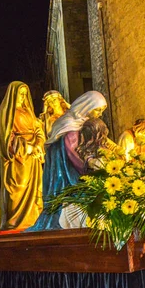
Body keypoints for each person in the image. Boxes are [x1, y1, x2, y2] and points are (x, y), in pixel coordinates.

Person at [28, 91, 107, 231]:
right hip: (65, 173)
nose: (99, 114)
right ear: (87, 106)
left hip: (75, 168)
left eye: (101, 110)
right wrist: (89, 164)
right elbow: (72, 152)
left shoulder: (82, 122)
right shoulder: (70, 124)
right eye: (98, 110)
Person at [0, 81, 45, 230]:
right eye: (20, 94)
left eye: (25, 94)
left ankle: (34, 220)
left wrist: (38, 144)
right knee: (19, 188)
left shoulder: (29, 112)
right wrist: (27, 147)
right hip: (18, 159)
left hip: (33, 158)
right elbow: (7, 138)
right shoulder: (7, 112)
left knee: (36, 189)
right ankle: (15, 222)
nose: (23, 97)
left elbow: (39, 130)